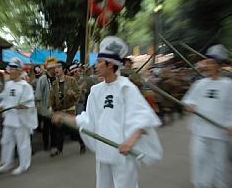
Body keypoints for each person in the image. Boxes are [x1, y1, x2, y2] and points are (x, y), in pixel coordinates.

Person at [52, 36, 163, 188]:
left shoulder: (126, 88)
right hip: (104, 152)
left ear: (110, 64)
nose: (95, 65)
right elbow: (87, 120)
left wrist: (129, 142)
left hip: (123, 153)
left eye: (99, 62)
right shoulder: (96, 91)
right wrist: (64, 117)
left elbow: (142, 118)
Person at [182, 44, 232, 188]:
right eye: (208, 62)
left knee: (219, 164)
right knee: (198, 160)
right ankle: (201, 185)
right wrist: (189, 105)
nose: (208, 66)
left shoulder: (229, 85)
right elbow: (188, 99)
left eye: (212, 63)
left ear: (219, 66)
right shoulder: (199, 84)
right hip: (200, 131)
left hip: (219, 133)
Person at [0, 58, 37, 175]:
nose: (10, 71)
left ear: (19, 71)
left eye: (13, 69)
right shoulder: (8, 84)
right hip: (9, 119)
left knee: (23, 143)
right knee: (6, 142)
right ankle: (6, 163)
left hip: (21, 120)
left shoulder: (25, 86)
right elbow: (5, 100)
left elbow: (30, 103)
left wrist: (22, 106)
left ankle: (24, 165)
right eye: (10, 69)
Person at [48, 61, 80, 156]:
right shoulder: (54, 83)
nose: (56, 69)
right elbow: (52, 96)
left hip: (70, 110)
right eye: (55, 67)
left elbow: (77, 92)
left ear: (64, 70)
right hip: (60, 110)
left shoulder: (71, 80)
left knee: (73, 130)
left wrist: (73, 94)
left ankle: (82, 144)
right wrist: (50, 106)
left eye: (58, 67)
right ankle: (59, 150)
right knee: (59, 130)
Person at [35, 56, 59, 152]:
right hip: (46, 108)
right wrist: (39, 106)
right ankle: (45, 145)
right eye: (54, 67)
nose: (56, 69)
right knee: (46, 128)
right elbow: (38, 94)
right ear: (49, 68)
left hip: (56, 108)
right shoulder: (43, 79)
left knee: (54, 128)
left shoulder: (57, 78)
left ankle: (54, 145)